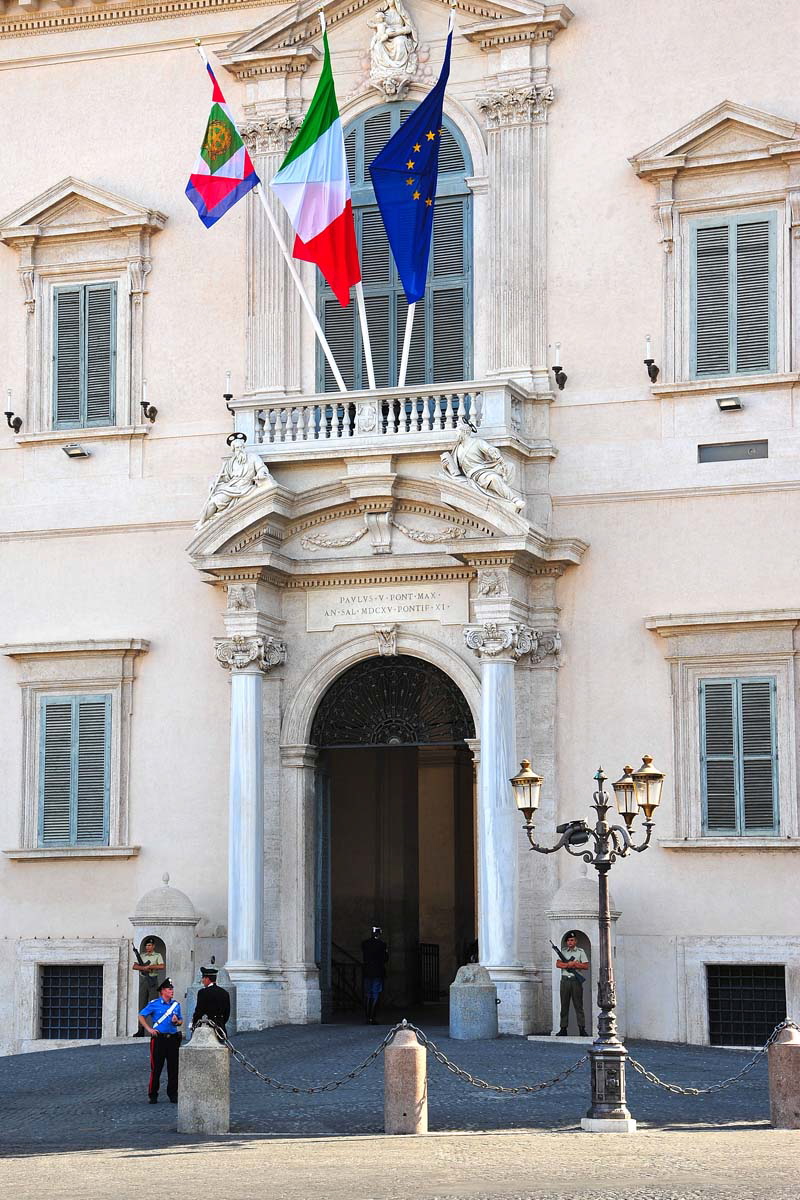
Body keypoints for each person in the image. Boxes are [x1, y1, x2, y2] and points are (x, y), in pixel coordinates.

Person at [138, 978, 183, 1103]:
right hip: (159, 1039)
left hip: (173, 1039)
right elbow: (141, 1015)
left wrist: (177, 1021)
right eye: (169, 989)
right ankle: (153, 1094)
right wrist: (148, 1029)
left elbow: (180, 1021)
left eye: (172, 989)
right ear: (163, 991)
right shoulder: (154, 1003)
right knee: (156, 1068)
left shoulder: (176, 1005)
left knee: (173, 1068)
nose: (172, 991)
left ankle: (173, 1094)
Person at [556, 931, 589, 1037]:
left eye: (572, 940)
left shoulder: (580, 951)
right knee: (564, 1005)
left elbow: (585, 966)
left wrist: (574, 964)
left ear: (576, 941)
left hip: (575, 981)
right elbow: (558, 964)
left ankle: (582, 1029)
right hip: (565, 980)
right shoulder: (563, 951)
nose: (570, 942)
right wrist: (567, 965)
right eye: (569, 940)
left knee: (578, 1006)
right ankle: (563, 1029)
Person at [132, 939, 165, 1036]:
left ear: (153, 946)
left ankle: (156, 1028)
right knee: (142, 1005)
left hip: (153, 980)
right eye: (146, 945)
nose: (148, 947)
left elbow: (162, 966)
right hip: (143, 981)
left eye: (150, 945)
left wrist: (150, 967)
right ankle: (140, 1029)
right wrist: (143, 968)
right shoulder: (142, 956)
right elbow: (134, 966)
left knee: (154, 1004)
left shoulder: (157, 955)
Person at [191, 966, 231, 1041]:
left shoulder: (203, 993)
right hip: (221, 1028)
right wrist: (220, 1021)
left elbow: (199, 1011)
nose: (202, 981)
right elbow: (227, 1013)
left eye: (203, 978)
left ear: (207, 979)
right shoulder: (224, 993)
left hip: (207, 1028)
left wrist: (194, 1023)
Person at [361, 926, 389, 1024]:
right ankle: (372, 1017)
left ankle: (367, 1016)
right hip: (377, 971)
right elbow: (385, 958)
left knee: (368, 994)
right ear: (379, 934)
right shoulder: (382, 945)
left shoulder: (365, 944)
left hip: (367, 971)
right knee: (375, 993)